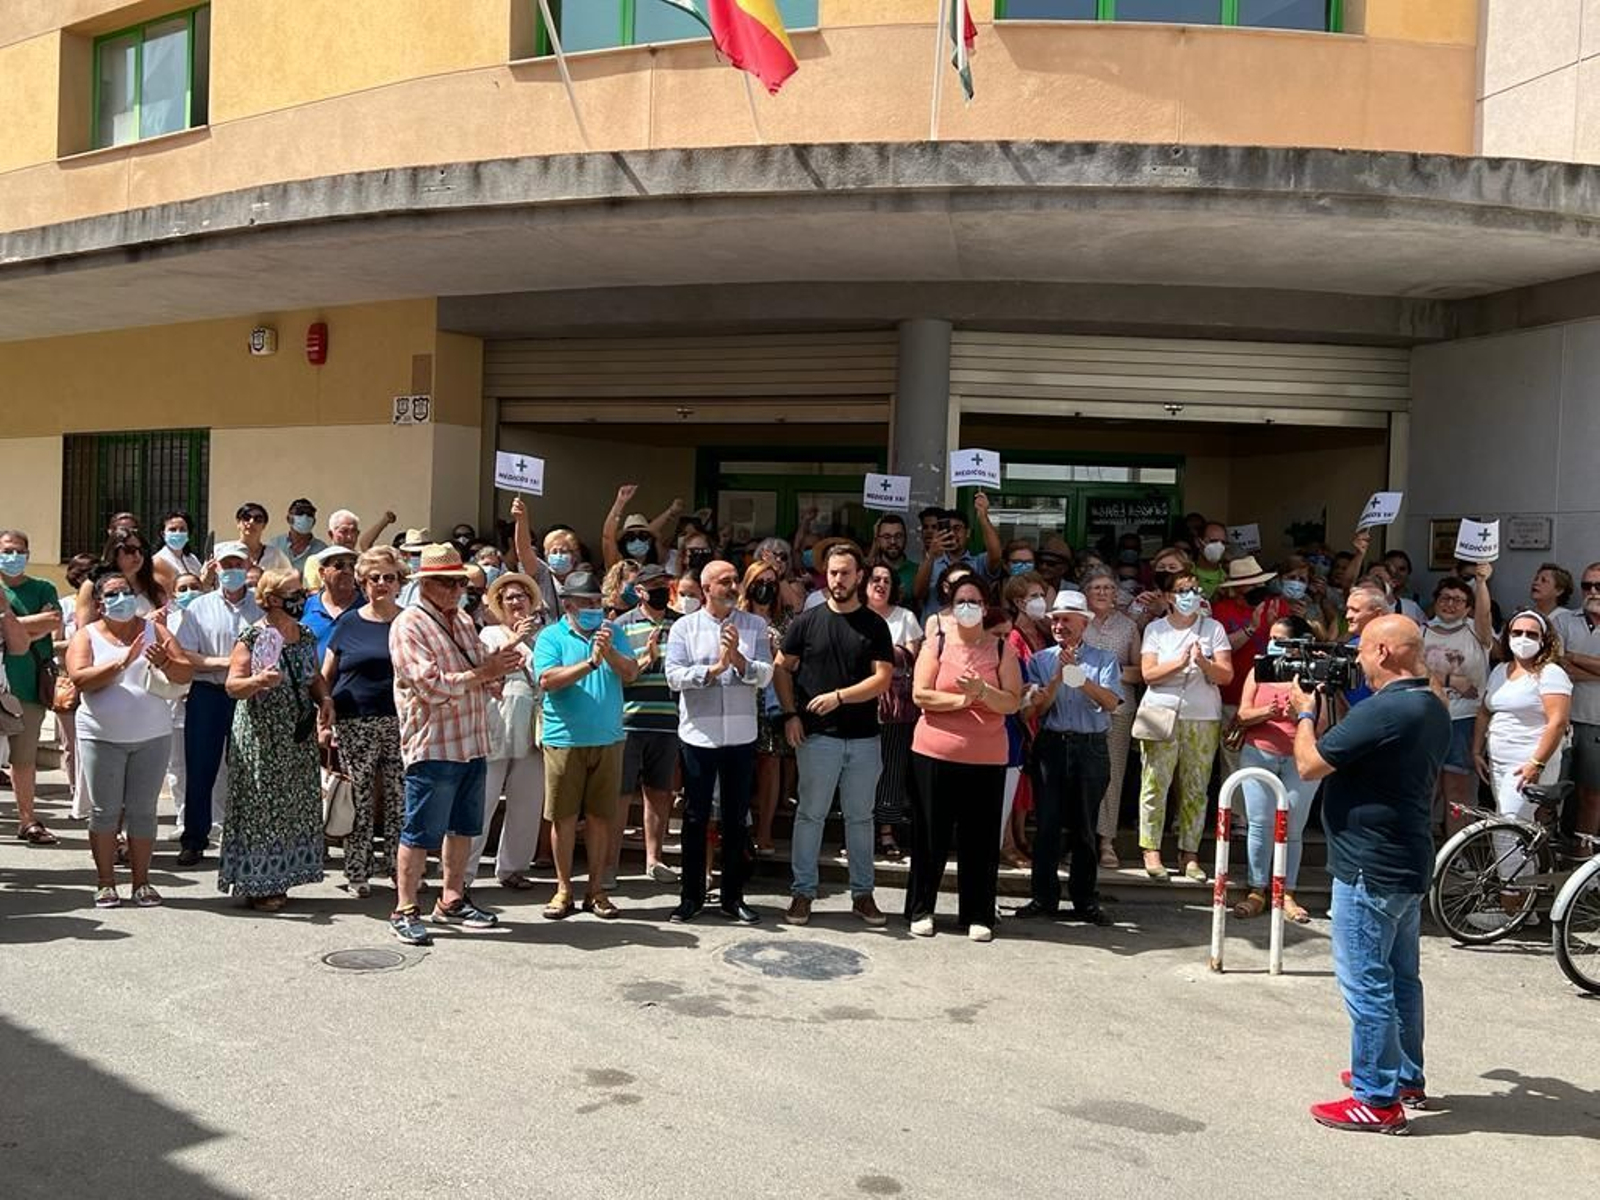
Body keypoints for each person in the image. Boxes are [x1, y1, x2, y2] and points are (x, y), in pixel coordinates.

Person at [1289, 615, 1450, 1134]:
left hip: (1369, 865)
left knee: (1367, 982)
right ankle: (1403, 1075)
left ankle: (1378, 1098)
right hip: (1405, 858)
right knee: (1401, 977)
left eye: (1360, 651)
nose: (1354, 660)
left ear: (1382, 653)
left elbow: (1312, 763)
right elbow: (1355, 748)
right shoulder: (1429, 703)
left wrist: (1305, 713)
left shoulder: (1387, 710)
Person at [389, 545, 523, 944]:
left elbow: (482, 664)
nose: (456, 589)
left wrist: (499, 663)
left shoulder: (462, 620)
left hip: (471, 739)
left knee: (464, 826)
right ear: (425, 584)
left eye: (460, 581)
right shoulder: (408, 625)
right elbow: (429, 685)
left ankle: (452, 898)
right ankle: (405, 907)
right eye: (447, 582)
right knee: (419, 831)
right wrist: (486, 672)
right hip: (433, 743)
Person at [775, 544, 895, 927]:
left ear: (860, 576)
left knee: (861, 818)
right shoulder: (806, 622)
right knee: (810, 815)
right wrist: (790, 713)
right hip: (817, 738)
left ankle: (863, 895)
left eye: (845, 573)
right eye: (832, 573)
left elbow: (882, 679)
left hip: (863, 738)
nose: (838, 580)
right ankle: (802, 893)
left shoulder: (875, 625)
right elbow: (782, 669)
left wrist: (839, 697)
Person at [906, 575, 1023, 941]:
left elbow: (1012, 701)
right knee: (930, 834)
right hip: (934, 752)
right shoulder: (937, 644)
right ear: (951, 609)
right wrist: (962, 701)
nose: (968, 607)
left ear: (985, 607)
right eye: (961, 601)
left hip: (986, 758)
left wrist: (983, 691)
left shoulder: (1002, 649)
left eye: (974, 601)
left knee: (981, 839)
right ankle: (922, 908)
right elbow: (921, 695)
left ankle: (977, 914)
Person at [65, 569, 191, 908]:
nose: (122, 599)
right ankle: (106, 882)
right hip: (101, 737)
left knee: (143, 812)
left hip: (152, 736)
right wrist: (121, 661)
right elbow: (80, 678)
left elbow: (184, 673)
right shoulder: (87, 635)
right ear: (100, 603)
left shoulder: (155, 629)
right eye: (113, 594)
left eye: (126, 591)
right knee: (105, 812)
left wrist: (164, 660)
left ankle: (142, 882)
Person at [663, 558, 773, 924]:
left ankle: (733, 898)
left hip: (741, 736)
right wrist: (713, 670)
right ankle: (691, 896)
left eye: (735, 580)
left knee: (736, 819)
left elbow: (765, 674)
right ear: (706, 588)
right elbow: (674, 676)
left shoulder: (754, 624)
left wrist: (739, 659)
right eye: (723, 581)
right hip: (699, 737)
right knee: (695, 818)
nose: (732, 586)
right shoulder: (683, 627)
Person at [219, 568, 332, 911]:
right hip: (261, 734)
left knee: (291, 806)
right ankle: (258, 882)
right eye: (292, 594)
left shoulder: (306, 635)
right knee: (261, 806)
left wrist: (325, 699)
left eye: (302, 593)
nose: (300, 600)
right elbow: (231, 686)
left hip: (296, 734)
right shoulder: (252, 637)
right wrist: (257, 681)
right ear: (270, 600)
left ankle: (282, 876)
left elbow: (314, 678)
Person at [533, 567, 640, 920]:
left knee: (600, 819)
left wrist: (607, 653)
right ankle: (563, 889)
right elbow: (547, 679)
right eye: (586, 602)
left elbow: (631, 672)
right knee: (563, 818)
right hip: (564, 739)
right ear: (568, 606)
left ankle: (596, 891)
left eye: (597, 601)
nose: (595, 607)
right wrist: (590, 663)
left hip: (608, 739)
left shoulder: (613, 633)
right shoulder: (551, 636)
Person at [1013, 590, 1123, 925]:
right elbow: (1034, 710)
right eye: (1055, 620)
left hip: (1090, 746)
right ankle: (1043, 897)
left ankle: (1084, 900)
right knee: (1046, 825)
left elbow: (1110, 702)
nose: (1059, 626)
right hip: (1053, 744)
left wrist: (1080, 677)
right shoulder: (1040, 660)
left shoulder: (1105, 658)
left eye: (1066, 620)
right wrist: (1060, 677)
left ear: (1083, 623)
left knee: (1085, 828)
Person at [1473, 610, 1573, 924]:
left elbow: (1557, 722)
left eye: (1532, 634)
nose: (1523, 640)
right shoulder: (1500, 670)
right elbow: (1485, 711)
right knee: (1517, 833)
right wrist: (1476, 750)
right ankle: (1523, 907)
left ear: (1544, 640)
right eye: (1517, 633)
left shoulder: (1551, 673)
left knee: (1507, 830)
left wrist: (1536, 763)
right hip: (1499, 762)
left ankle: (1509, 908)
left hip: (1531, 762)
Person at [321, 547, 407, 897]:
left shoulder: (409, 620)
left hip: (401, 719)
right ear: (362, 582)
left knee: (399, 798)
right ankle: (357, 872)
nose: (382, 584)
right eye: (374, 578)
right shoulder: (349, 621)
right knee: (358, 797)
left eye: (389, 577)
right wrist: (323, 718)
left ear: (400, 582)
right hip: (355, 720)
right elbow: (327, 674)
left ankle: (400, 871)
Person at [1136, 569, 1232, 881]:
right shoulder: (1155, 629)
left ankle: (1189, 854)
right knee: (1155, 782)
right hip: (1161, 713)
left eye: (1193, 589)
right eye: (1181, 590)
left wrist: (1204, 663)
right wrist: (1179, 662)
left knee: (1196, 787)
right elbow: (1148, 674)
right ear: (1167, 597)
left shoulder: (1213, 628)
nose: (1189, 595)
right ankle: (1151, 849)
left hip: (1203, 715)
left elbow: (1226, 675)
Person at [173, 543, 262, 866]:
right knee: (200, 768)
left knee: (249, 770)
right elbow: (185, 654)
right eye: (226, 564)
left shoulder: (261, 606)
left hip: (250, 696)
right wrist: (227, 662)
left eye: (238, 562)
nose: (232, 569)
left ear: (248, 563)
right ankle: (194, 839)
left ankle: (245, 839)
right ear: (216, 567)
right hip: (208, 695)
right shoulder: (199, 607)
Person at [464, 570, 548, 895]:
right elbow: (486, 667)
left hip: (534, 723)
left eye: (522, 596)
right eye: (510, 597)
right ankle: (463, 873)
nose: (517, 602)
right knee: (482, 800)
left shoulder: (545, 638)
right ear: (499, 603)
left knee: (528, 800)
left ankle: (513, 867)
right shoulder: (489, 634)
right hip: (496, 721)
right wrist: (515, 639)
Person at [1231, 615, 1319, 925]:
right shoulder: (1260, 670)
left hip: (1300, 757)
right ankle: (1257, 890)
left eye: (1280, 639)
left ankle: (1287, 893)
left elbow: (1324, 722)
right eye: (1271, 638)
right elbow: (1242, 714)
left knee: (1292, 828)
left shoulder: (1312, 674)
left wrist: (1303, 713)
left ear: (1298, 645)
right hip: (1259, 753)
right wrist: (1268, 712)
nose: (1273, 644)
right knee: (1260, 823)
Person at [614, 564, 680, 883]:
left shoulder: (681, 624)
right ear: (639, 591)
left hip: (669, 720)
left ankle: (654, 859)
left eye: (665, 584)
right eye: (654, 585)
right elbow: (617, 675)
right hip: (629, 720)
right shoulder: (621, 625)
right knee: (620, 793)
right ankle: (609, 860)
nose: (661, 591)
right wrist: (646, 659)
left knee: (659, 791)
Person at [0, 529, 64, 845]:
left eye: (19, 551)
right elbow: (40, 625)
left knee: (24, 757)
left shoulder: (43, 587)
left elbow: (53, 620)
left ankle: (27, 820)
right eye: (7, 550)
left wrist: (7, 625)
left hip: (27, 685)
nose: (13, 557)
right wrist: (27, 628)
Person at [1421, 568, 1494, 833]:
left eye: (1458, 600)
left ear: (1468, 608)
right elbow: (1415, 673)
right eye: (1445, 598)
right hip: (1427, 719)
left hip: (1464, 720)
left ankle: (1457, 852)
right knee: (1425, 789)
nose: (1450, 604)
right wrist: (1450, 681)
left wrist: (1482, 581)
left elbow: (1485, 616)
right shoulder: (1421, 631)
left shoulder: (1477, 631)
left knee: (1457, 790)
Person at [1081, 567, 1142, 869]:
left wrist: (1107, 672)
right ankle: (1081, 838)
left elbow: (1140, 670)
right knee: (1079, 775)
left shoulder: (1128, 626)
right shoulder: (1077, 622)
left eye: (1108, 588)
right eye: (1096, 588)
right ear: (1086, 594)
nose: (1103, 592)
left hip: (1118, 709)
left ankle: (1106, 840)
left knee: (1112, 775)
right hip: (1079, 708)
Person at [864, 558, 922, 860]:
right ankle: (860, 833)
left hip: (895, 706)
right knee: (860, 772)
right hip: (859, 705)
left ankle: (886, 832)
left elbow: (913, 657)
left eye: (887, 580)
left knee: (892, 769)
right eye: (875, 579)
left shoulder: (906, 617)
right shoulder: (854, 616)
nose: (881, 584)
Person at [737, 558, 791, 857]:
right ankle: (740, 829)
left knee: (770, 763)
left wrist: (775, 651)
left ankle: (765, 832)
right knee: (743, 765)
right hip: (743, 698)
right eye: (760, 582)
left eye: (772, 583)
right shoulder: (736, 618)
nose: (766, 588)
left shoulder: (787, 619)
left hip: (773, 699)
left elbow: (795, 659)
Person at [1210, 556, 1278, 778]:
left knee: (1262, 760)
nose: (1260, 588)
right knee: (1232, 761)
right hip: (1229, 698)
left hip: (1265, 701)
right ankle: (1235, 813)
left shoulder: (1276, 606)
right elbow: (1221, 648)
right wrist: (1252, 627)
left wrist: (1274, 626)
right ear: (1238, 588)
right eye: (1254, 584)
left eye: (1261, 583)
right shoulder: (1220, 610)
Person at [1555, 562, 1600, 842]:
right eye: (1587, 586)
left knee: (1591, 795)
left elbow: (1567, 660)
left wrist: (1574, 656)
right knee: (1547, 793)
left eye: (1599, 586)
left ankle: (1582, 863)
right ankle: (1541, 857)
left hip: (1597, 723)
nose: (1592, 592)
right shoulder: (1563, 621)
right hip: (1563, 721)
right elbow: (1557, 666)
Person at [914, 496, 1003, 618]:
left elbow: (996, 555)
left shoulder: (978, 563)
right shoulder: (931, 563)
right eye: (947, 529)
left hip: (969, 632)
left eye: (957, 529)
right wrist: (931, 555)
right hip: (935, 632)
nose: (952, 534)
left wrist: (983, 517)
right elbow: (918, 593)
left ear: (967, 533)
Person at [75, 527, 166, 632]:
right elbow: (84, 631)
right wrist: (144, 623)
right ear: (114, 551)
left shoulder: (153, 587)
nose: (137, 555)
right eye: (129, 550)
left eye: (141, 550)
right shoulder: (91, 586)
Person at [302, 544, 361, 659]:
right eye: (339, 565)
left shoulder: (365, 607)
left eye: (352, 566)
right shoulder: (307, 605)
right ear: (322, 573)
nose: (348, 571)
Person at [269, 498, 327, 574]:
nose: (305, 517)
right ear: (289, 519)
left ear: (314, 522)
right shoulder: (274, 545)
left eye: (309, 514)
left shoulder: (322, 550)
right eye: (300, 513)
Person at [152, 509, 203, 595]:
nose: (178, 533)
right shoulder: (158, 561)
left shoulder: (191, 558)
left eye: (182, 529)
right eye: (172, 529)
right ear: (163, 534)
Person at [233, 502, 293, 574]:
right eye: (246, 517)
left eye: (258, 519)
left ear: (264, 525)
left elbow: (291, 579)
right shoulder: (224, 551)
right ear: (238, 523)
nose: (251, 522)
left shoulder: (275, 555)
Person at [870, 514, 917, 599]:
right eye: (887, 537)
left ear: (905, 538)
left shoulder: (917, 571)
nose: (893, 541)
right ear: (878, 540)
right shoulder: (870, 571)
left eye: (898, 536)